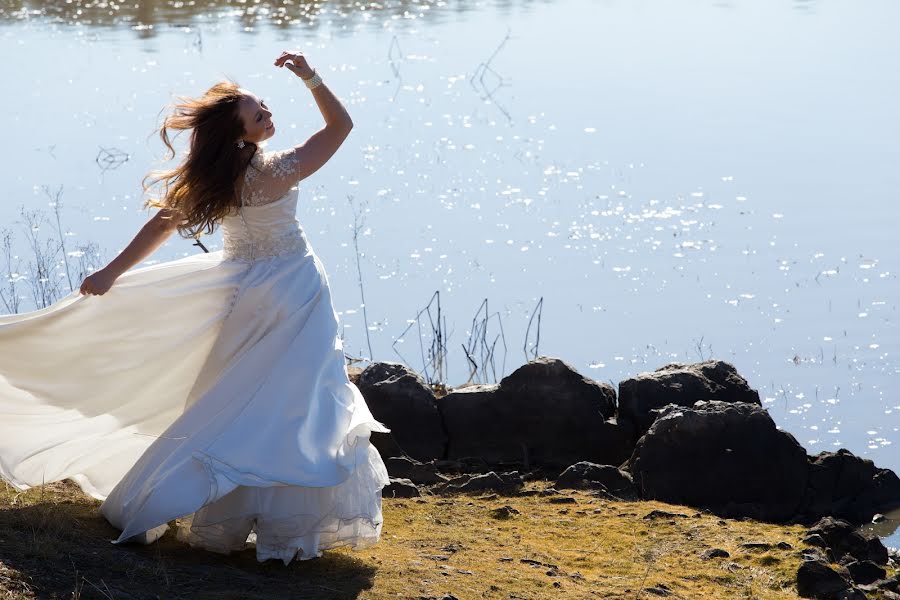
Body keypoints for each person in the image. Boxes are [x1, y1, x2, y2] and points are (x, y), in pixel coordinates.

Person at [0, 51, 392, 565]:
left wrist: (111, 273)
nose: (268, 115)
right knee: (297, 397)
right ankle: (283, 528)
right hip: (296, 290)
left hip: (245, 295)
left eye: (264, 107)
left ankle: (230, 517)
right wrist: (311, 77)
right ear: (240, 136)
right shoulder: (279, 170)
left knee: (235, 394)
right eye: (258, 115)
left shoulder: (213, 182)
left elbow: (161, 225)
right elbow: (341, 125)